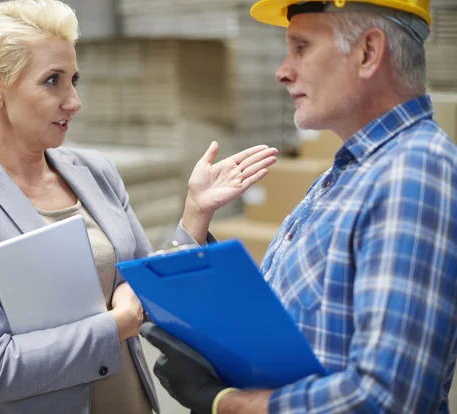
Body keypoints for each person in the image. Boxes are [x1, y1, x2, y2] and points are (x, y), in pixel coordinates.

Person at [0, 1, 277, 413]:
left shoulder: (93, 171)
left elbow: (149, 288)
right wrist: (117, 324)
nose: (74, 101)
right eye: (53, 81)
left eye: (74, 79)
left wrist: (195, 210)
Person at [142, 1, 457, 413]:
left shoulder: (412, 172)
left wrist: (226, 403)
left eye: (301, 47)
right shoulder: (351, 174)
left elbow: (385, 398)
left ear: (368, 52)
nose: (283, 70)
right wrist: (197, 214)